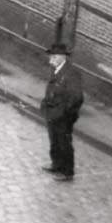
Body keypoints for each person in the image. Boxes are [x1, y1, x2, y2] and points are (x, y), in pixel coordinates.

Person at [40, 42, 84, 182]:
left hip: (63, 116)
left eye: (53, 56)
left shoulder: (72, 73)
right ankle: (56, 164)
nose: (50, 59)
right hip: (53, 113)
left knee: (64, 143)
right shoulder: (56, 69)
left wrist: (63, 112)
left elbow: (76, 97)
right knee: (54, 141)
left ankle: (67, 172)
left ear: (61, 57)